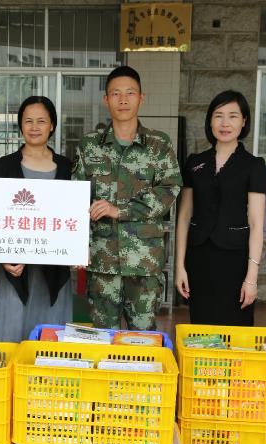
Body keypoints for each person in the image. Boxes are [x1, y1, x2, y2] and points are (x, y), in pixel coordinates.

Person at [71, 66, 182, 331]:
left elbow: (170, 189)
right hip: (101, 262)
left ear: (141, 98)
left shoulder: (158, 144)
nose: (123, 99)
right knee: (100, 336)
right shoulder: (90, 145)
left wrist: (119, 210)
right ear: (105, 100)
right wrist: (78, 244)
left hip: (143, 262)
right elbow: (77, 197)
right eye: (116, 93)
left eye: (130, 93)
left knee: (142, 339)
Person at [175, 90, 266, 326]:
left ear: (244, 121)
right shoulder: (195, 162)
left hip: (235, 260)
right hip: (198, 259)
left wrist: (252, 278)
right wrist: (179, 267)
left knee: (235, 331)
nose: (225, 123)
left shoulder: (253, 165)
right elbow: (184, 217)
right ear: (210, 120)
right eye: (219, 115)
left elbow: (257, 224)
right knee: (201, 329)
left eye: (233, 116)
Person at [0, 96, 73, 341]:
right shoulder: (4, 167)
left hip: (54, 270)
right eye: (28, 121)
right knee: (12, 337)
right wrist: (2, 256)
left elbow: (76, 214)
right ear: (20, 125)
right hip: (14, 269)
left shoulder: (68, 167)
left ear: (52, 125)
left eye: (41, 121)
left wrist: (79, 249)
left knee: (50, 341)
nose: (34, 127)